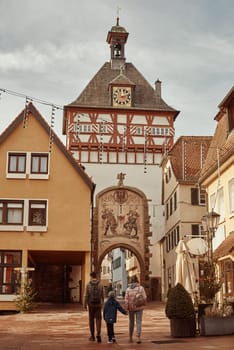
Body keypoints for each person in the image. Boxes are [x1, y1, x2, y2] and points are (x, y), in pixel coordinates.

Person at [125, 276, 147, 344]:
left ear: (131, 281)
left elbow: (126, 299)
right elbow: (145, 297)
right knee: (139, 322)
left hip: (131, 307)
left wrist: (127, 306)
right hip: (139, 307)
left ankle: (130, 337)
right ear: (137, 280)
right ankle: (138, 337)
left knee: (131, 322)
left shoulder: (128, 289)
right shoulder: (141, 288)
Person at [84, 271, 104, 343]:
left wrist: (85, 304)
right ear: (96, 276)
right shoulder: (101, 284)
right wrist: (102, 304)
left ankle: (92, 336)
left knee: (91, 320)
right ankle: (98, 334)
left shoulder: (88, 284)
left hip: (91, 305)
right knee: (98, 319)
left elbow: (86, 295)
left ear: (91, 276)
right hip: (98, 304)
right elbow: (103, 295)